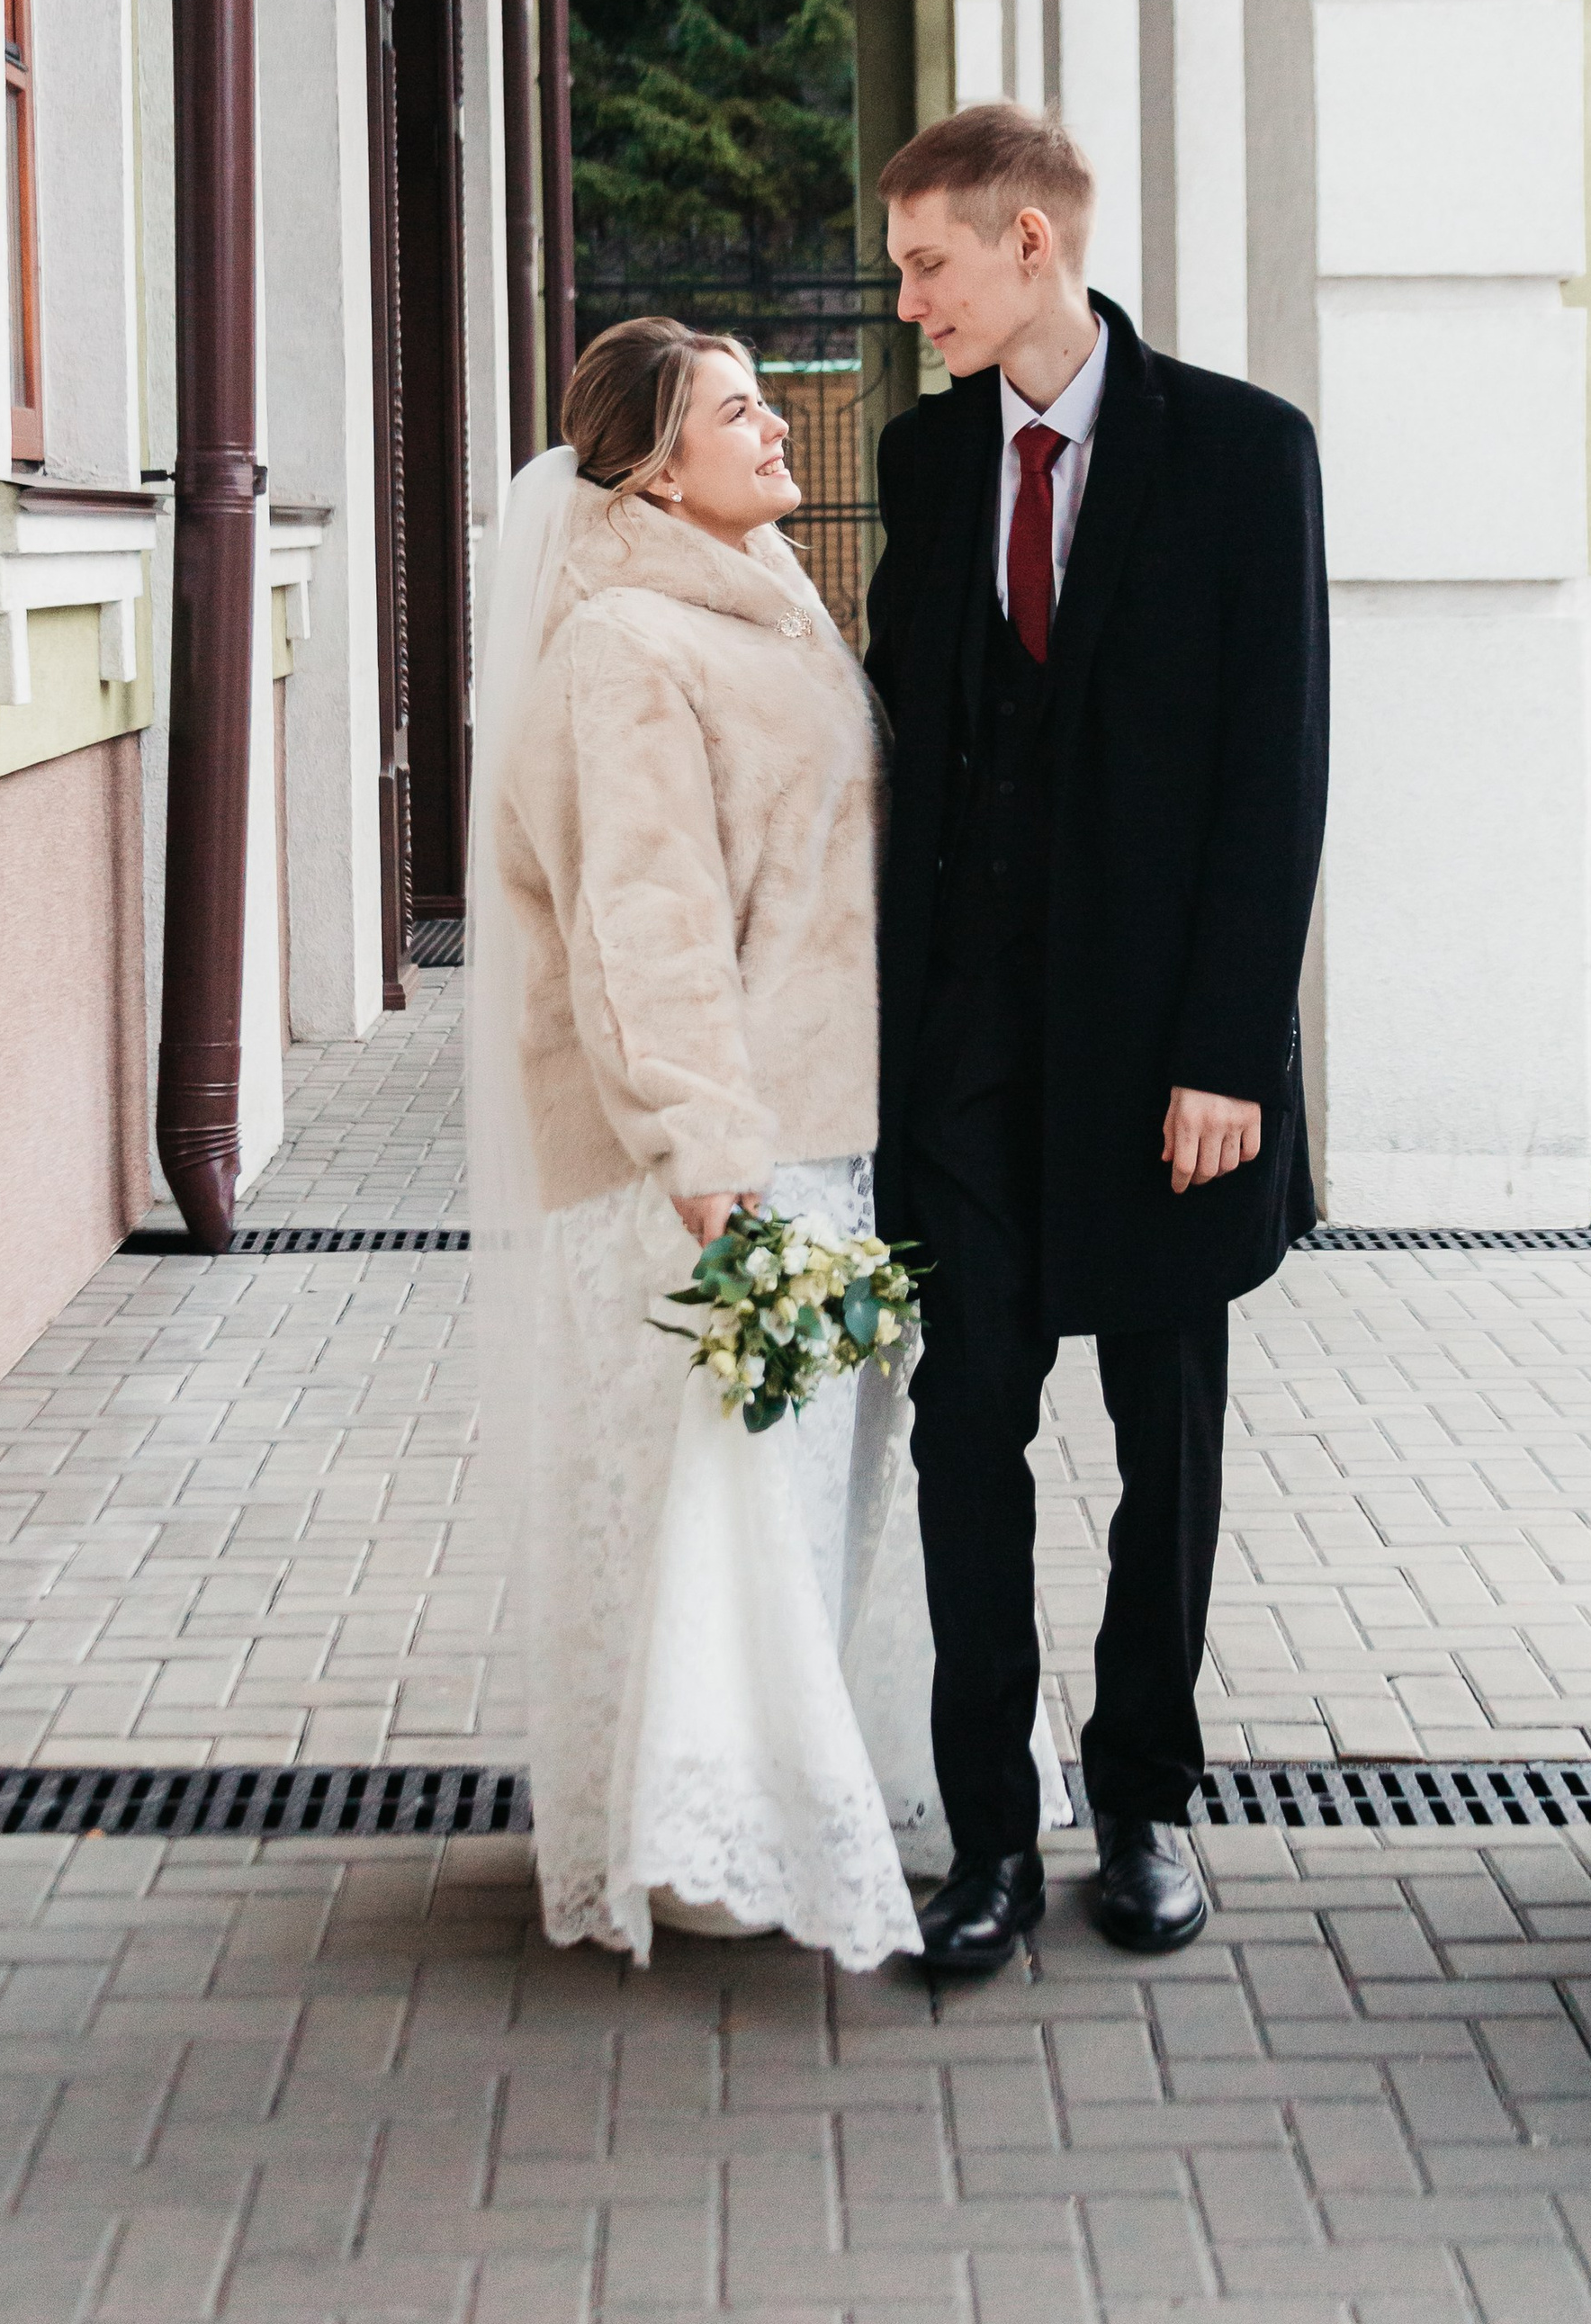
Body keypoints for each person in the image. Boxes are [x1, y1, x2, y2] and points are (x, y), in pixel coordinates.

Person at [469, 318, 1063, 1965]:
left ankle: (729, 1813)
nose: (780, 427)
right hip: (709, 1152)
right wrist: (707, 1154)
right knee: (719, 1496)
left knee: (789, 1500)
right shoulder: (624, 648)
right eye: (742, 410)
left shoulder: (765, 607)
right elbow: (643, 923)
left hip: (821, 1130)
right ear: (657, 464)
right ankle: (708, 1841)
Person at [865, 104, 1329, 1978]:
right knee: (961, 1431)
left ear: (1031, 243)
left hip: (1164, 1068)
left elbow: (1272, 771)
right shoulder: (916, 458)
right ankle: (983, 1833)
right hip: (963, 1056)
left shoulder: (1235, 453)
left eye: (928, 266)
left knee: (1168, 1444)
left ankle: (1136, 1803)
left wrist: (1226, 1049)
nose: (909, 307)